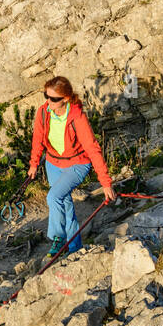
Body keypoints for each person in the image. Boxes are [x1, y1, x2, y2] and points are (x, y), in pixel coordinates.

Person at [29, 76, 116, 257]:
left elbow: (93, 149)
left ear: (65, 99)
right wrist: (34, 164)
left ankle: (58, 237)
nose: (48, 101)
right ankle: (75, 246)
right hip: (52, 163)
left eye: (53, 99)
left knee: (53, 197)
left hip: (77, 164)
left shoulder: (77, 117)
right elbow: (37, 139)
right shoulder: (44, 112)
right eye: (46, 96)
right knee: (64, 202)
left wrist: (105, 182)